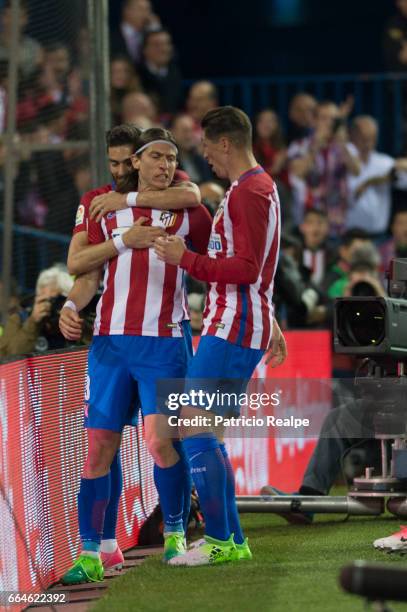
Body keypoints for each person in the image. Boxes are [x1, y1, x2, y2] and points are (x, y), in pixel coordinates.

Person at [60, 127, 212, 584]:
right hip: (110, 344)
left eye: (172, 158)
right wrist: (71, 304)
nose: (164, 165)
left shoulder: (189, 211)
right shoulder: (104, 209)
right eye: (156, 157)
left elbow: (214, 256)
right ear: (137, 163)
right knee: (97, 448)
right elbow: (86, 270)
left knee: (161, 442)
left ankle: (174, 536)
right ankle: (91, 553)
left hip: (164, 342)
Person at [155, 106, 287, 566]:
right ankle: (230, 541)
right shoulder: (256, 186)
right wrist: (271, 322)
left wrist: (183, 258)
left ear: (225, 143)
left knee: (192, 430)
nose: (205, 155)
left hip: (231, 324)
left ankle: (219, 541)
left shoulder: (248, 193)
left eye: (207, 146)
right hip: (241, 322)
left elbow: (248, 269)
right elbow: (263, 269)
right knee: (206, 431)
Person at [288, 101, 361, 235]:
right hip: (310, 221)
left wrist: (342, 144)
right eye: (324, 118)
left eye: (334, 119)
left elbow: (357, 170)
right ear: (314, 121)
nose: (329, 123)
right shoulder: (299, 145)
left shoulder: (346, 147)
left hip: (338, 221)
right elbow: (298, 172)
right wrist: (316, 146)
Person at [346, 116, 407, 238]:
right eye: (363, 137)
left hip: (378, 236)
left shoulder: (385, 163)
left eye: (372, 138)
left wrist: (403, 165)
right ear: (352, 136)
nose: (368, 142)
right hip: (347, 236)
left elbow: (403, 182)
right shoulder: (341, 161)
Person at [0, 265, 73, 358]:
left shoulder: (77, 318)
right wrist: (33, 322)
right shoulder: (19, 320)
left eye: (57, 300)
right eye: (45, 300)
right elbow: (6, 358)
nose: (50, 306)